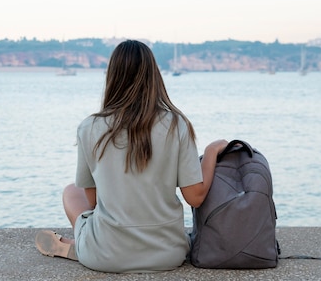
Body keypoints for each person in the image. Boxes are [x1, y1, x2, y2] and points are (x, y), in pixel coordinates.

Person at [35, 39, 228, 273]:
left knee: (71, 191)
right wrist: (211, 152)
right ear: (154, 76)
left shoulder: (89, 127)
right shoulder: (177, 124)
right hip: (168, 254)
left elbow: (93, 201)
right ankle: (92, 245)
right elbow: (195, 197)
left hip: (106, 256)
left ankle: (85, 245)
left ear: (112, 77)